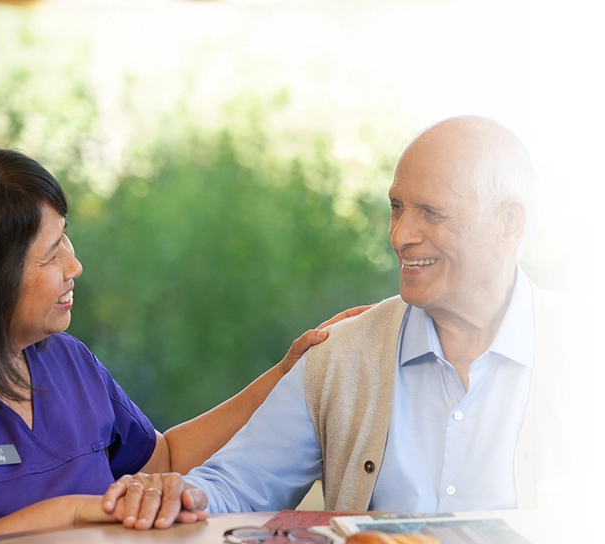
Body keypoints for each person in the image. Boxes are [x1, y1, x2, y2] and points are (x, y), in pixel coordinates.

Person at [0, 147, 368, 544]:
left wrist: (285, 374)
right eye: (51, 255)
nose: (74, 266)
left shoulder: (69, 361)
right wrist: (65, 514)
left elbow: (164, 461)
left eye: (65, 239)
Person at [155, 115, 576, 518]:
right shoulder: (338, 356)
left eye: (430, 212)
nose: (400, 236)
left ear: (508, 225)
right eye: (397, 207)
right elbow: (235, 485)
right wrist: (177, 495)